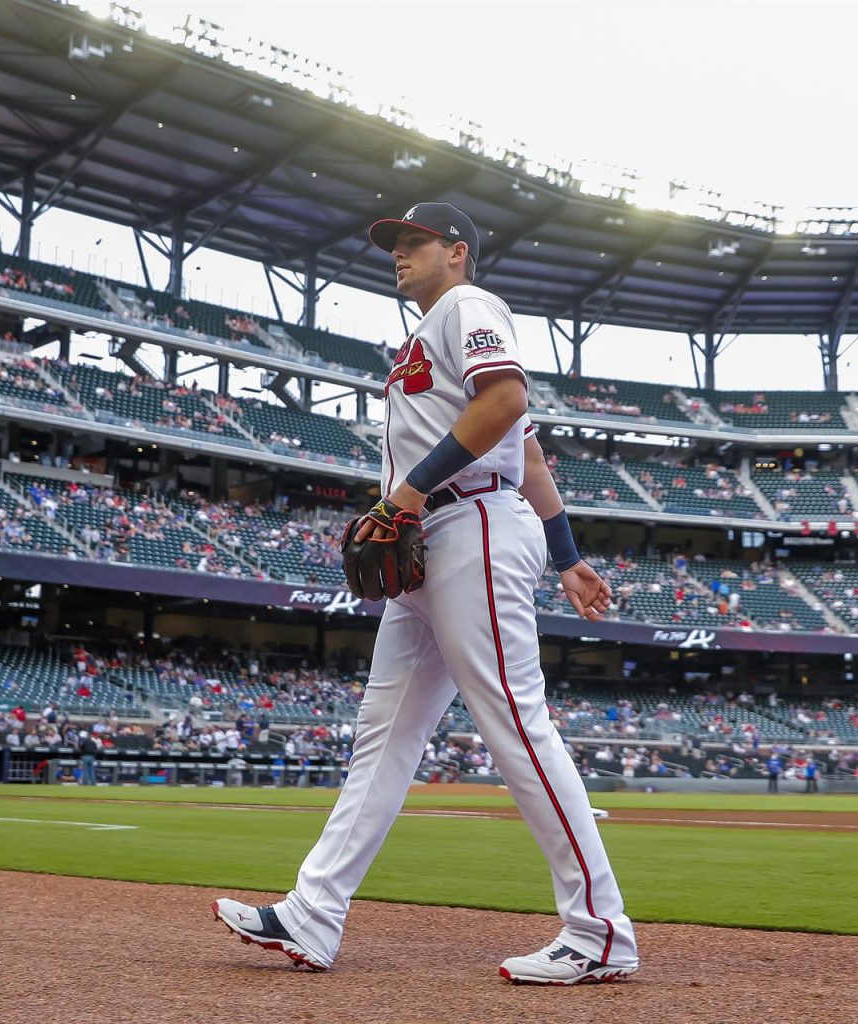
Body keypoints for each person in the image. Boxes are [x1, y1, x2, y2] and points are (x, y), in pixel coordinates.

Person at [211, 203, 638, 985]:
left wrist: (403, 495)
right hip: (438, 536)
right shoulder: (426, 332)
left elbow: (503, 405)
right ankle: (313, 912)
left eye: (414, 242)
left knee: (514, 718)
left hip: (469, 521)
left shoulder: (469, 306)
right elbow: (532, 450)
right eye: (394, 244)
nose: (398, 254)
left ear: (457, 250)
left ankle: (600, 929)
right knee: (384, 734)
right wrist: (569, 556)